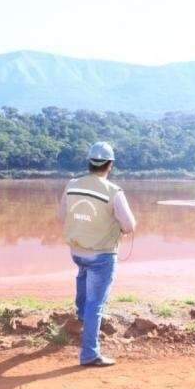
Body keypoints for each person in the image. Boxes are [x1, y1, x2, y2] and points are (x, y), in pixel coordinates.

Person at [58, 141, 136, 367]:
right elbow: (129, 225)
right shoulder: (113, 191)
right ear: (110, 165)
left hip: (76, 251)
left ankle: (82, 315)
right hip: (101, 255)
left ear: (89, 162)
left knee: (82, 276)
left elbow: (61, 215)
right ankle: (90, 354)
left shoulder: (72, 184)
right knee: (96, 303)